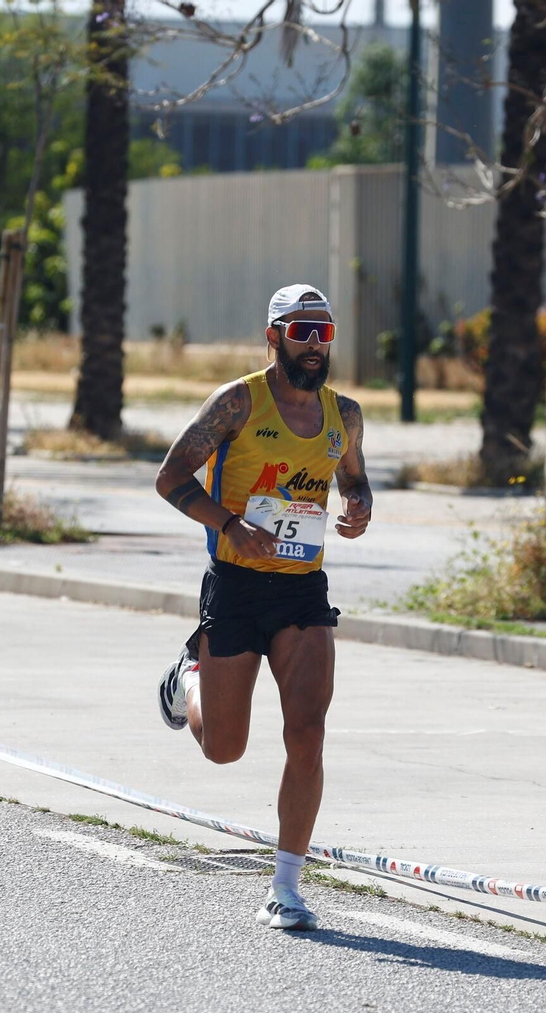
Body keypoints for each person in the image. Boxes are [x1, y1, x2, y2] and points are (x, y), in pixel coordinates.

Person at [153, 284, 372, 931]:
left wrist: (359, 504)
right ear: (273, 335)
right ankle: (185, 679)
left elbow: (352, 475)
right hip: (238, 583)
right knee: (225, 748)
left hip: (303, 590)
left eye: (324, 333)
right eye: (301, 331)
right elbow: (171, 476)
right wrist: (227, 523)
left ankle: (285, 886)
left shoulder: (346, 414)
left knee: (307, 733)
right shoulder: (238, 402)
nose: (314, 345)